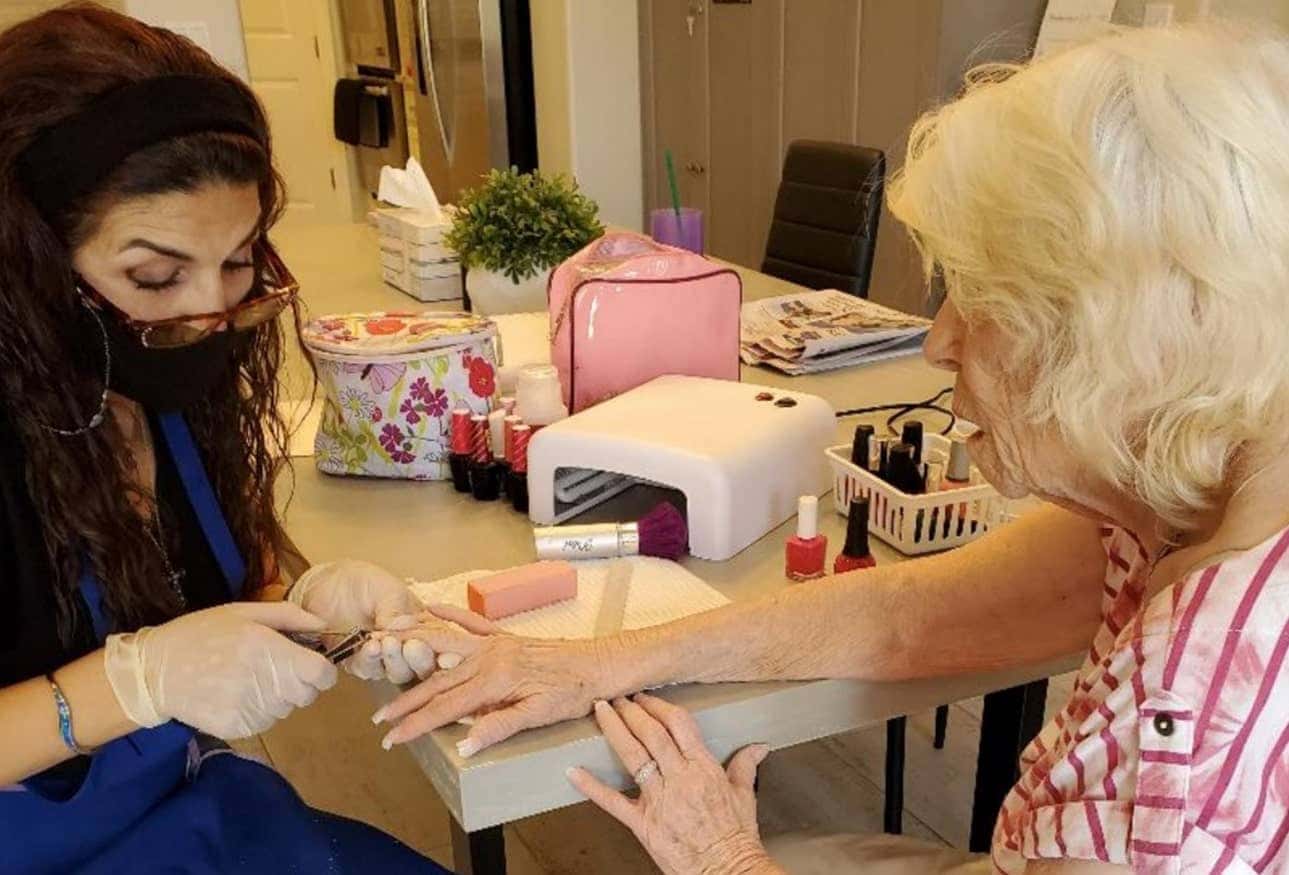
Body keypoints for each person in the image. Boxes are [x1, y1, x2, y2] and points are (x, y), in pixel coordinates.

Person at [376, 23, 1289, 874]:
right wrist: (602, 659)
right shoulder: (1193, 495)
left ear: (1122, 343)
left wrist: (728, 858)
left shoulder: (1189, 744)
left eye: (981, 301)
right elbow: (910, 613)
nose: (937, 341)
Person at [0, 6, 456, 871]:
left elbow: (225, 579)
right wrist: (129, 682)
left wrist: (313, 604)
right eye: (155, 275)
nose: (209, 312)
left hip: (189, 822)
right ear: (27, 260)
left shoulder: (164, 384)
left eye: (242, 259)